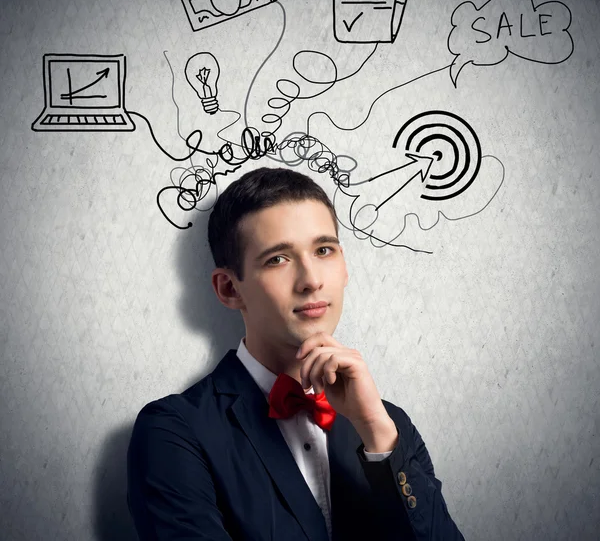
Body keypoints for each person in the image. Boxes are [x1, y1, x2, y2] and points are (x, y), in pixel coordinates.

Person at [127, 166, 465, 540]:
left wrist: (377, 434)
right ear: (228, 289)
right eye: (278, 259)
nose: (311, 280)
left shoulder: (388, 423)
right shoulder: (175, 431)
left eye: (324, 250)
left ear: (345, 266)